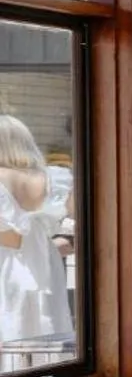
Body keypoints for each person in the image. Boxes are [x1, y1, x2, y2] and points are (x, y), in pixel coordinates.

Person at [0, 115, 76, 358]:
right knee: (49, 332)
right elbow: (86, 219)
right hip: (46, 266)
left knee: (9, 338)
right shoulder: (54, 177)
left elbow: (10, 237)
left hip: (5, 267)